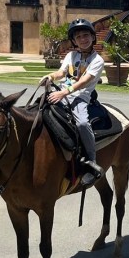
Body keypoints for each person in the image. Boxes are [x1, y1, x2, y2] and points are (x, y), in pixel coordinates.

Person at [39, 18, 105, 185]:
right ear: (74, 41)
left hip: (80, 97)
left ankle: (92, 162)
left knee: (82, 123)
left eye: (86, 35)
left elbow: (85, 81)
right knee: (36, 110)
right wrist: (50, 76)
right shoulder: (71, 55)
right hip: (61, 92)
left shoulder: (97, 60)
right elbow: (62, 73)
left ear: (92, 37)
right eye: (78, 37)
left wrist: (64, 92)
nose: (83, 39)